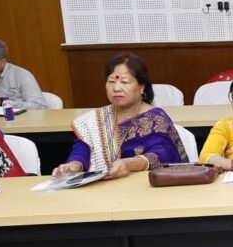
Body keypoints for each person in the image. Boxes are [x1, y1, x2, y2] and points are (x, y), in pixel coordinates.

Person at [52, 53, 187, 178]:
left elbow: (161, 154)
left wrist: (129, 164)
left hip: (146, 186)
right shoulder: (95, 120)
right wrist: (75, 164)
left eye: (125, 82)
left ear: (142, 87)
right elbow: (83, 148)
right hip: (104, 188)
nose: (116, 88)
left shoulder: (156, 118)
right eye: (111, 81)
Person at [0, 39, 47, 110]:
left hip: (19, 117)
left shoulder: (22, 75)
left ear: (2, 61)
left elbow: (40, 106)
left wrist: (2, 103)